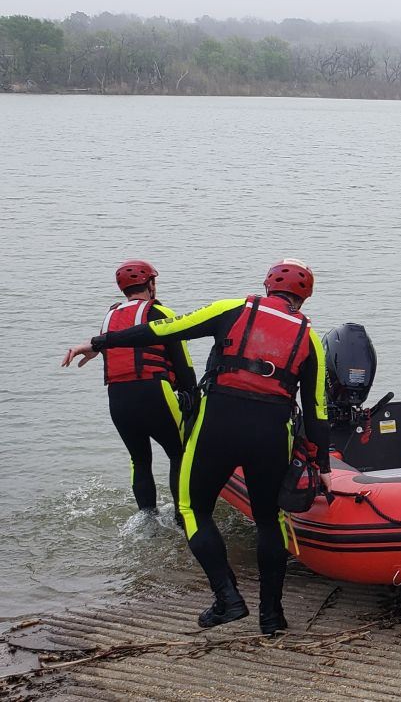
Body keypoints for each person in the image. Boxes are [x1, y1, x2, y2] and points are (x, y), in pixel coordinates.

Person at [63, 259, 331, 635]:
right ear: (304, 299)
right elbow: (317, 410)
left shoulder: (233, 308)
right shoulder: (311, 339)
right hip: (271, 433)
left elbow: (162, 330)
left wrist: (97, 343)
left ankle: (228, 598)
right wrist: (323, 466)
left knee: (192, 508)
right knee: (271, 520)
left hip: (217, 424)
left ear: (267, 286)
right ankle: (271, 616)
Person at [71, 260, 196, 519]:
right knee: (179, 453)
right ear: (150, 284)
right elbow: (182, 361)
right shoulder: (161, 312)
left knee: (139, 460)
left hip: (118, 399)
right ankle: (182, 519)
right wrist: (192, 395)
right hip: (154, 394)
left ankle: (146, 520)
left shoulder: (109, 317)